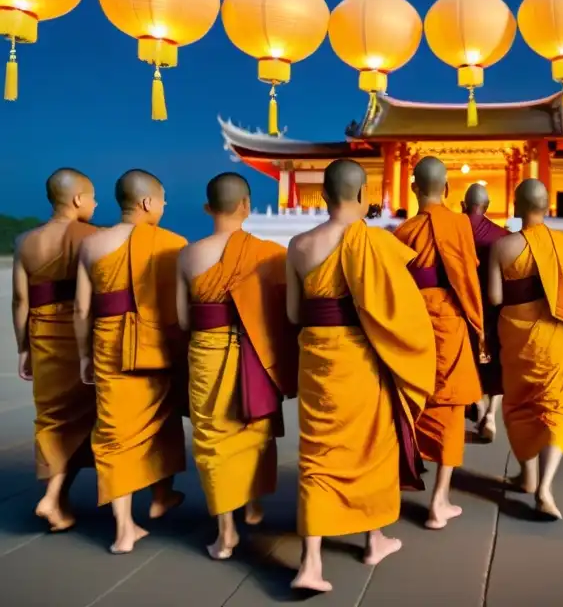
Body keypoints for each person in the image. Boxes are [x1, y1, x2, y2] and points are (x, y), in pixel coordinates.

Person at [288, 159, 435, 592]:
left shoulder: (298, 246)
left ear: (322, 195)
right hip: (362, 356)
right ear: (362, 195)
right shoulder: (378, 242)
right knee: (374, 444)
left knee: (318, 453)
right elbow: (398, 313)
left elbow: (295, 313)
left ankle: (310, 563)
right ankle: (373, 540)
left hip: (317, 357)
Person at [176, 172, 297, 560]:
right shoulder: (271, 253)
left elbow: (182, 320)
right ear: (245, 206)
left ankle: (225, 532)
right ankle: (254, 506)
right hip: (256, 353)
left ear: (207, 208)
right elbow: (285, 315)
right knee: (254, 427)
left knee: (212, 438)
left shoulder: (188, 255)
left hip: (207, 351)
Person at [74, 169, 188, 554]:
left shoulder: (92, 245)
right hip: (157, 343)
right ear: (146, 203)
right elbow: (180, 305)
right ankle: (161, 495)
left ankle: (125, 527)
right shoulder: (174, 243)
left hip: (108, 342)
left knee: (114, 431)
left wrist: (84, 355)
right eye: (162, 200)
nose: (165, 206)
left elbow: (81, 308)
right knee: (162, 419)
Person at [487, 178, 563, 520]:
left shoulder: (502, 246)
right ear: (547, 207)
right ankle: (542, 487)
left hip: (516, 335)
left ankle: (527, 476)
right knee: (553, 407)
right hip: (552, 334)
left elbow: (495, 298)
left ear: (515, 205)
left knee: (518, 405)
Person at [394, 157, 484, 530]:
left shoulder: (402, 232)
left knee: (413, 397)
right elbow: (467, 273)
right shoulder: (460, 223)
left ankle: (408, 475)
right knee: (450, 410)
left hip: (414, 320)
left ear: (414, 187)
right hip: (450, 318)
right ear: (446, 189)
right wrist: (479, 326)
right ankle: (439, 501)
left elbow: (397, 284)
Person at [11, 169, 99, 532]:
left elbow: (20, 300)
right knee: (82, 419)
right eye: (93, 198)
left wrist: (23, 347)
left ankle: (57, 500)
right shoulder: (95, 238)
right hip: (82, 337)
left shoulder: (25, 242)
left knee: (51, 417)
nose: (95, 205)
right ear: (77, 199)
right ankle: (53, 497)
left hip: (42, 332)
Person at [461, 182, 507, 442]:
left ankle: (473, 402)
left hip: (459, 309)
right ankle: (490, 415)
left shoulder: (452, 230)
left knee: (466, 360)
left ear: (463, 205)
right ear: (488, 207)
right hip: (493, 310)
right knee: (496, 364)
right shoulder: (501, 235)